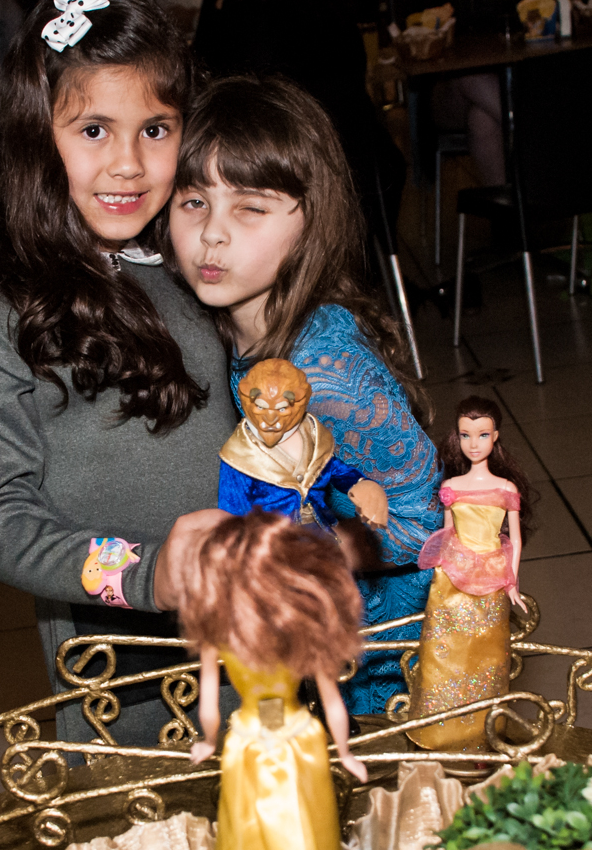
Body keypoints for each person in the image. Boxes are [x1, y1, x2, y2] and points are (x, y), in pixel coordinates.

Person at [0, 0, 237, 749]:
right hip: (124, 671)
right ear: (34, 132)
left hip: (260, 627)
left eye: (155, 128)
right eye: (93, 129)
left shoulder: (193, 253)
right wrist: (147, 573)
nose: (128, 164)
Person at [164, 74, 442, 715]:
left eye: (250, 208)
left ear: (310, 223)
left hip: (384, 654)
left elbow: (428, 524)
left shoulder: (327, 372)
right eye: (193, 201)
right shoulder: (228, 328)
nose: (213, 234)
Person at [180, 510, 368, 850]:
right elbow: (329, 695)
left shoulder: (251, 631)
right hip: (292, 739)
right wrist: (344, 752)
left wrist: (208, 741)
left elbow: (210, 703)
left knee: (294, 827)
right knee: (262, 828)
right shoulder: (280, 629)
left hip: (259, 741)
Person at [194, 0, 406, 242]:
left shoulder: (259, 17)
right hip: (371, 175)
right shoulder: (325, 2)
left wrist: (220, 7)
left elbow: (208, 91)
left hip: (304, 194)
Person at [407, 397, 532, 751]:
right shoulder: (453, 488)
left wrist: (512, 582)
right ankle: (440, 729)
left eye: (481, 435)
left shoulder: (506, 490)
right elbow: (448, 534)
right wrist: (440, 571)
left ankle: (484, 731)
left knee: (489, 657)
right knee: (443, 655)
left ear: (495, 437)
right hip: (452, 579)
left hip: (491, 577)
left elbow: (515, 539)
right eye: (465, 435)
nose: (473, 443)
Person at [411, 0, 529, 186]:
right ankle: (536, 133)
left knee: (482, 120)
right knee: (470, 75)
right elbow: (417, 34)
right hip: (447, 90)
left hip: (507, 80)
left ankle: (509, 225)